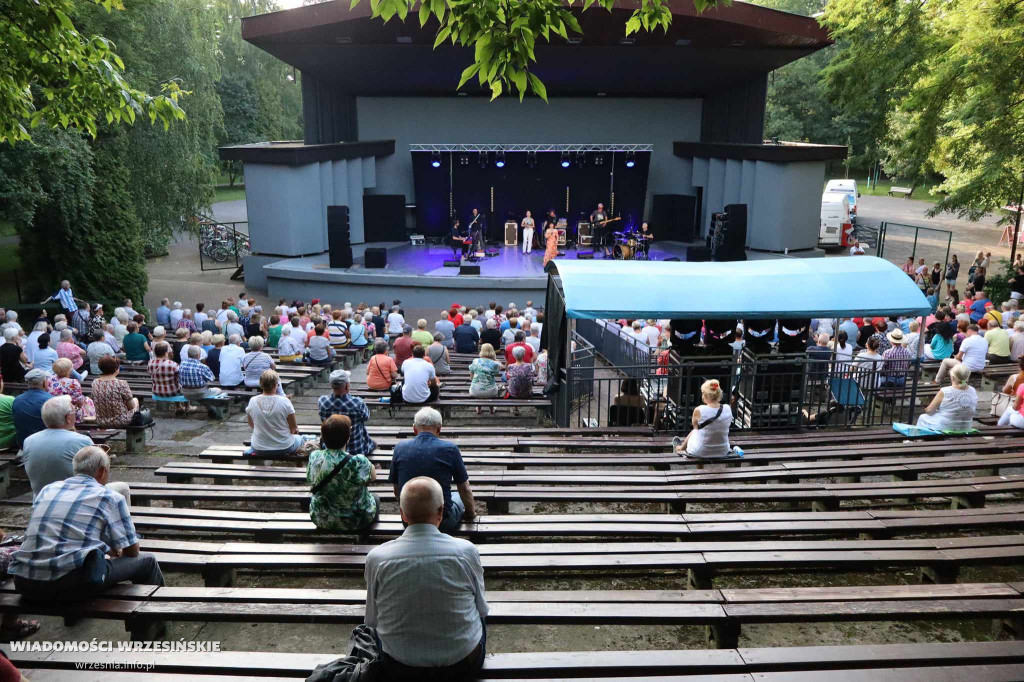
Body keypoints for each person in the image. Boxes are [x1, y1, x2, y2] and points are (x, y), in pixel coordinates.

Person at [365, 476, 487, 678]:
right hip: (462, 664)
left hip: (399, 667)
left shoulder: (377, 558)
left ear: (403, 514)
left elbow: (372, 619)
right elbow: (481, 608)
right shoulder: (466, 552)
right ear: (441, 512)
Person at [12, 446, 161, 600]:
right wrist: (115, 551)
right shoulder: (110, 497)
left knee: (88, 563)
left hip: (24, 582)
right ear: (103, 471)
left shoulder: (47, 490)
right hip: (67, 586)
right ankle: (156, 616)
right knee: (147, 561)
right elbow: (132, 551)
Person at [22, 396, 129, 501]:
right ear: (68, 417)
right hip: (78, 498)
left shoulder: (28, 441)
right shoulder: (82, 441)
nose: (76, 414)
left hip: (43, 498)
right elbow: (99, 478)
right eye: (75, 411)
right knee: (123, 488)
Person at [388, 408, 477, 535]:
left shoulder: (400, 448)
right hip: (442, 522)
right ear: (439, 429)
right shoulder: (450, 449)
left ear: (414, 429)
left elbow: (397, 490)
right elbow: (464, 488)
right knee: (457, 497)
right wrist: (471, 514)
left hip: (409, 522)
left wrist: (407, 511)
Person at [307, 414, 379, 532]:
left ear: (323, 437)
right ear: (348, 438)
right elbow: (373, 477)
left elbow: (310, 479)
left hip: (322, 518)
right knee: (375, 498)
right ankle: (365, 538)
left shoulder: (314, 457)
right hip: (356, 520)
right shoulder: (358, 460)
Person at [246, 370, 305, 457]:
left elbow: (252, 424)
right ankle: (298, 466)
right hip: (284, 447)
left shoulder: (252, 401)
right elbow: (294, 429)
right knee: (301, 440)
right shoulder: (285, 401)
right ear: (276, 385)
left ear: (261, 384)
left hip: (258, 447)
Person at [672, 379, 734, 459]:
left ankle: (679, 448)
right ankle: (681, 449)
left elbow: (695, 427)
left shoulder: (699, 410)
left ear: (706, 395)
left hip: (700, 451)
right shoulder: (727, 408)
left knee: (695, 431)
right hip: (722, 451)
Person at [318, 370, 375, 455]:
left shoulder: (322, 401)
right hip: (356, 450)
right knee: (373, 443)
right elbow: (366, 417)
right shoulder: (357, 403)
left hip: (330, 449)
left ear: (331, 385)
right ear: (347, 385)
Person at [918, 362, 977, 431]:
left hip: (946, 427)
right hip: (965, 427)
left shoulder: (945, 391)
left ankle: (918, 440)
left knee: (922, 417)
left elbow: (929, 411)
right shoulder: (973, 390)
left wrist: (926, 407)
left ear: (952, 377)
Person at [92, 356, 140, 428]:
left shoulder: (95, 382)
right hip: (121, 421)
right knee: (135, 400)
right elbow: (131, 406)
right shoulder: (121, 383)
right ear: (116, 368)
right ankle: (135, 433)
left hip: (101, 421)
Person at [12, 370, 50, 446]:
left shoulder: (17, 400)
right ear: (44, 383)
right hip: (45, 444)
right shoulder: (51, 400)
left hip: (24, 443)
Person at [505, 345, 535, 412]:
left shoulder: (510, 366)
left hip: (513, 393)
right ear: (524, 354)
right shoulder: (529, 366)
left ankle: (516, 408)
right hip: (527, 393)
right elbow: (532, 378)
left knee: (507, 378)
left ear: (513, 355)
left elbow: (508, 378)